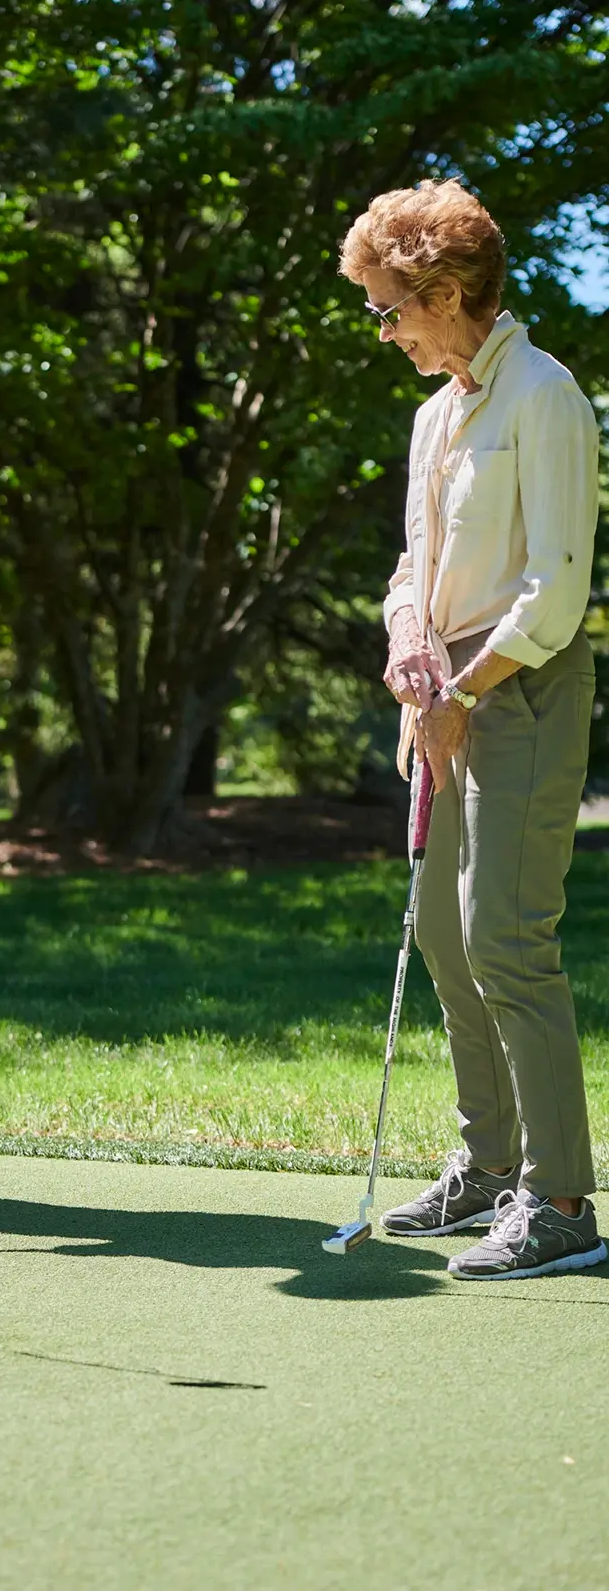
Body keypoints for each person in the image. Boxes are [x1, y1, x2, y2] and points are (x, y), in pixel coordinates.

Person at [339, 179, 605, 1279]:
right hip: (442, 690)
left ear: (446, 293)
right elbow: (415, 563)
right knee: (446, 943)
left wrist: (463, 690)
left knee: (504, 935)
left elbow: (558, 587)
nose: (385, 331)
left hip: (521, 687)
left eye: (389, 309)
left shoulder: (544, 396)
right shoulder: (434, 413)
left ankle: (561, 1203)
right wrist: (409, 642)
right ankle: (489, 1170)